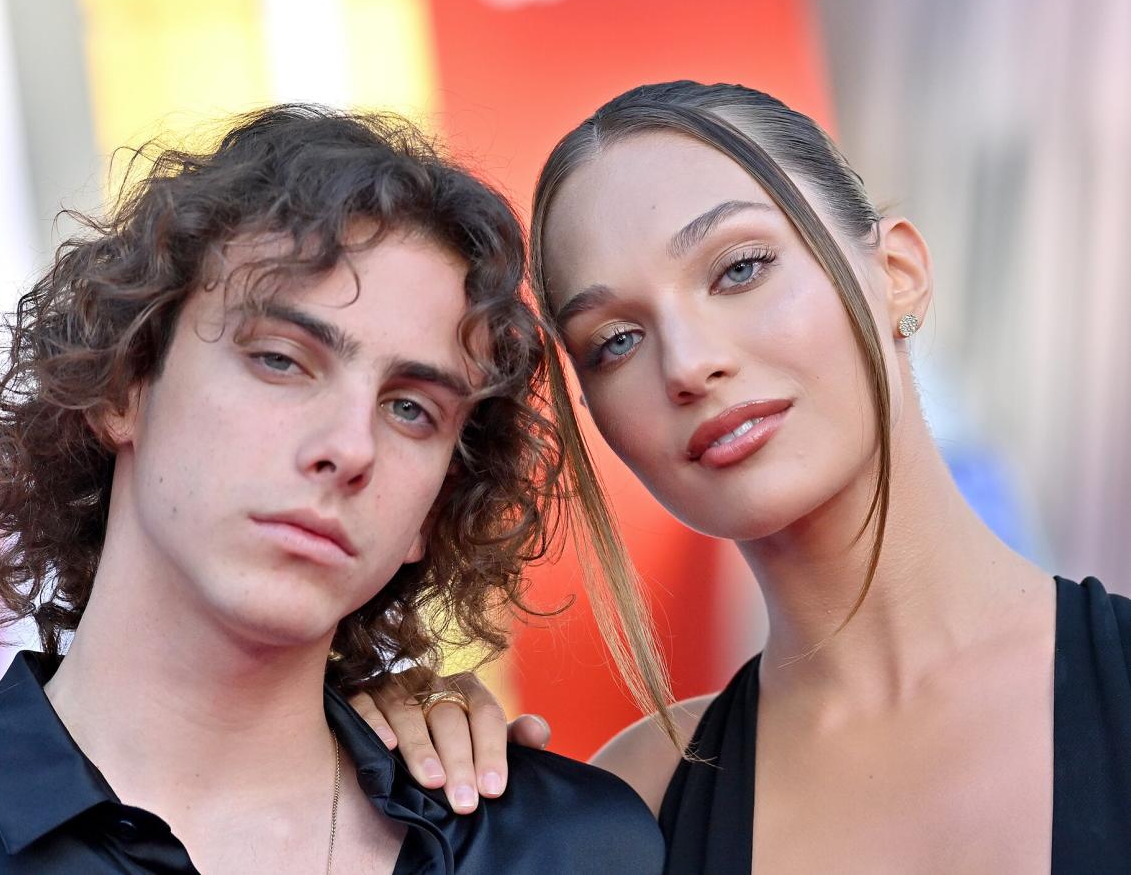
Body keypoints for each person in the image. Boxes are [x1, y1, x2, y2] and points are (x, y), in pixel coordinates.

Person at [354, 82, 1131, 873]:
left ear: (896, 269)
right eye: (616, 340)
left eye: (740, 269)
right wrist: (361, 771)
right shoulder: (632, 810)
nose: (689, 365)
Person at [0, 106, 665, 874]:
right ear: (123, 383)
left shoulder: (568, 848)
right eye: (281, 360)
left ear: (433, 509)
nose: (349, 447)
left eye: (411, 410)